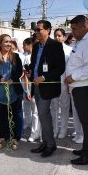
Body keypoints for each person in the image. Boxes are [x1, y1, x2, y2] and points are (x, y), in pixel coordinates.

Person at [65, 15, 88, 165]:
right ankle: (87, 149)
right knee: (86, 122)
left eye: (74, 29)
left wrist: (72, 77)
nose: (72, 32)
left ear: (84, 26)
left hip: (86, 88)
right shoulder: (82, 40)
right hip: (79, 87)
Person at [29, 20, 65, 158]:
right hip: (36, 85)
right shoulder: (36, 46)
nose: (36, 32)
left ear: (48, 30)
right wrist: (30, 71)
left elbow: (60, 68)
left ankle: (50, 144)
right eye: (36, 30)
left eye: (39, 30)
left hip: (47, 85)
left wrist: (43, 77)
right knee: (42, 115)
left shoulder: (55, 45)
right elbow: (34, 64)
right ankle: (46, 142)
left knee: (44, 114)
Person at [0, 34, 23, 150]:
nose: (8, 44)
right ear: (0, 43)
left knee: (15, 115)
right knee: (0, 115)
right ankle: (2, 137)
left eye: (10, 41)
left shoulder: (16, 56)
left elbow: (19, 71)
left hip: (14, 90)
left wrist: (14, 79)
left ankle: (14, 138)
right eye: (6, 41)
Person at [50, 28, 82, 140]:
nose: (57, 38)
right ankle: (55, 129)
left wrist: (69, 82)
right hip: (52, 82)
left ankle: (63, 130)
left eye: (59, 35)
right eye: (55, 35)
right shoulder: (50, 49)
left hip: (65, 82)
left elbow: (71, 67)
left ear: (64, 37)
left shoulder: (69, 50)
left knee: (64, 107)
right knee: (53, 107)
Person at [21, 37, 41, 142]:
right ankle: (34, 133)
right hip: (31, 87)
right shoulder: (27, 57)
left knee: (40, 112)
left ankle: (40, 133)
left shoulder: (41, 55)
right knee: (34, 111)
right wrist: (28, 90)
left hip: (41, 86)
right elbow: (26, 75)